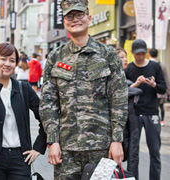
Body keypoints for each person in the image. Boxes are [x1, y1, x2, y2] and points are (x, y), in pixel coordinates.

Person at [39, 0, 128, 179]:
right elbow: (48, 103)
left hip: (101, 146)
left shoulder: (108, 55)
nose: (75, 20)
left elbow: (118, 99)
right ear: (64, 22)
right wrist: (53, 141)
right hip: (66, 148)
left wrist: (117, 140)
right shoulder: (55, 57)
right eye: (70, 16)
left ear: (89, 17)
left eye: (79, 14)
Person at [0, 42, 47, 180]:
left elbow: (45, 116)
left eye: (12, 60)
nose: (7, 64)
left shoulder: (24, 89)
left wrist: (38, 147)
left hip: (20, 158)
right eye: (3, 59)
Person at [125, 39, 166, 180]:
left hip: (152, 112)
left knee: (155, 151)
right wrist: (136, 84)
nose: (140, 56)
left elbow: (163, 88)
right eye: (137, 54)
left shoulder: (155, 66)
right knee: (133, 153)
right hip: (134, 114)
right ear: (132, 53)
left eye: (143, 53)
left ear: (146, 52)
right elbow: (124, 92)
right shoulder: (129, 69)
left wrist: (154, 84)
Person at [117, 47, 142, 179]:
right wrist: (134, 88)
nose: (125, 60)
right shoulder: (110, 78)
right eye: (121, 57)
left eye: (125, 57)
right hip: (118, 123)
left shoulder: (128, 76)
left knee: (133, 155)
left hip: (132, 121)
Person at [149, 48, 170, 126]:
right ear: (157, 55)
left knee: (154, 107)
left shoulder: (147, 64)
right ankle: (162, 121)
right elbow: (166, 79)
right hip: (161, 91)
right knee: (161, 107)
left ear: (149, 54)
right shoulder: (162, 65)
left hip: (151, 91)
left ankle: (155, 120)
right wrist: (168, 91)